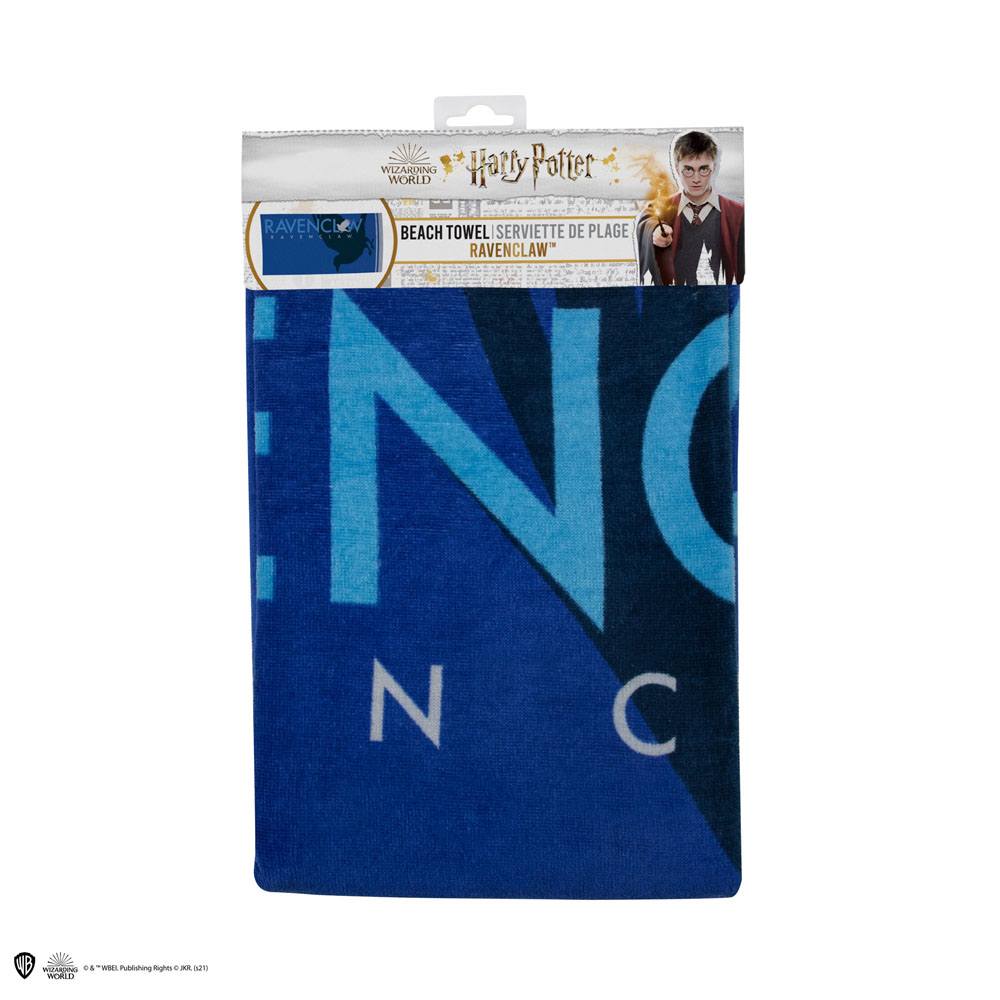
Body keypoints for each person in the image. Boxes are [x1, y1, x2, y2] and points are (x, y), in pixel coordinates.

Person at [636, 131, 744, 285]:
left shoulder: (738, 214)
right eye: (688, 170)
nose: (696, 179)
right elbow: (648, 219)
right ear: (676, 168)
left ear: (714, 167)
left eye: (703, 169)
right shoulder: (661, 208)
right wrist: (654, 231)